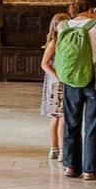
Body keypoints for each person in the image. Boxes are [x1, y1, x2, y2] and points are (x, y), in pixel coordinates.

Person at [43, 0, 96, 179]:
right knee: (93, 124)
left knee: (71, 122)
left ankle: (70, 166)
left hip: (69, 79)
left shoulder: (63, 26)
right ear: (93, 9)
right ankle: (90, 170)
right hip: (94, 79)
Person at [39, 11, 65, 158]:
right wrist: (56, 76)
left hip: (63, 80)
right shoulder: (54, 42)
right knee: (60, 116)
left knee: (60, 116)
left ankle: (57, 149)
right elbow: (44, 63)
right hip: (56, 82)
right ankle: (59, 149)